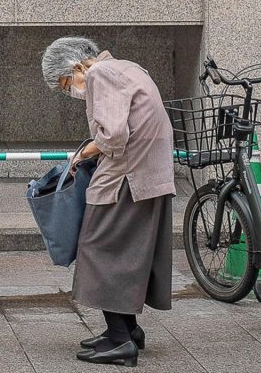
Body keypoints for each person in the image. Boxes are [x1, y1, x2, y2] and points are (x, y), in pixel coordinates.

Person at [41, 37, 176, 367]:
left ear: (76, 67)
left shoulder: (99, 73)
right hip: (149, 174)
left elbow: (114, 135)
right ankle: (127, 331)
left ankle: (119, 339)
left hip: (126, 177)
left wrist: (83, 154)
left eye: (64, 84)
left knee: (98, 249)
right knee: (125, 253)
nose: (69, 92)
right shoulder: (126, 67)